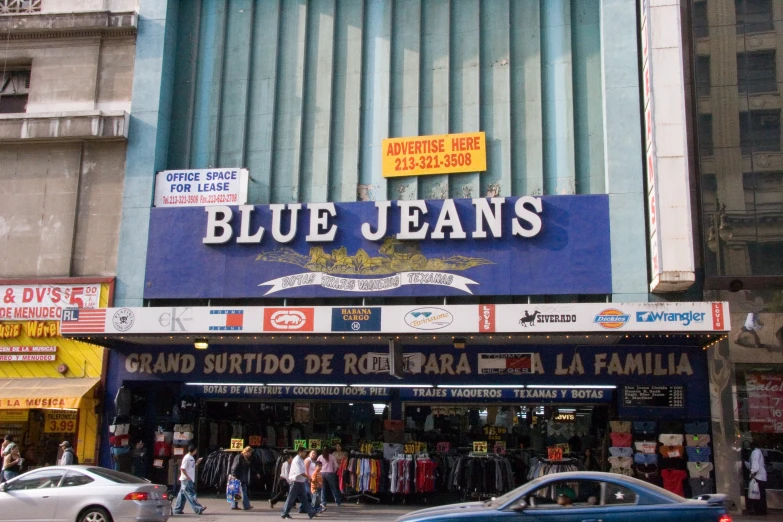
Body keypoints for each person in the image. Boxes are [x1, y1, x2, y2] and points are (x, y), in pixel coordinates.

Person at [281, 447, 318, 519]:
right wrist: (308, 477)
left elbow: (303, 471)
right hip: (295, 482)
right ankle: (284, 513)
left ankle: (311, 512)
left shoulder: (301, 460)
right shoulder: (296, 460)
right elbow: (300, 472)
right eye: (304, 452)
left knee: (304, 499)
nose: (305, 453)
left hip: (300, 482)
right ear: (300, 452)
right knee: (291, 498)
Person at [173, 444, 206, 516]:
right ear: (194, 450)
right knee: (191, 494)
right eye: (196, 450)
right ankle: (198, 508)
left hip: (187, 479)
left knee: (182, 494)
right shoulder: (187, 458)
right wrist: (187, 476)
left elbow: (191, 467)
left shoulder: (191, 458)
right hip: (187, 480)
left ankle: (177, 509)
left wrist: (197, 463)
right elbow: (182, 468)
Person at [230, 446, 258, 511]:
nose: (250, 454)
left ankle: (234, 505)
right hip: (238, 477)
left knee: (237, 492)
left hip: (243, 476)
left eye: (251, 453)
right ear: (246, 452)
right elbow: (234, 466)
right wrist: (234, 475)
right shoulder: (239, 457)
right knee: (243, 491)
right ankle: (246, 505)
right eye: (249, 453)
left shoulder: (247, 458)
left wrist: (256, 473)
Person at [745, 441, 767, 515]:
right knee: (761, 494)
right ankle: (762, 510)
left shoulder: (755, 452)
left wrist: (752, 473)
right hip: (761, 476)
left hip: (758, 476)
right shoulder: (758, 452)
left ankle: (759, 510)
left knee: (757, 494)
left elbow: (755, 463)